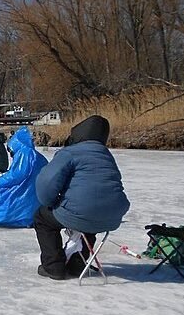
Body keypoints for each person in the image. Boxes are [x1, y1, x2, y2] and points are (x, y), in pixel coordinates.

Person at [33, 115, 130, 280]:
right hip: (112, 215)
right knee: (92, 215)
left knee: (42, 217)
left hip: (82, 212)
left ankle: (54, 266)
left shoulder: (70, 153)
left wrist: (50, 203)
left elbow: (47, 182)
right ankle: (78, 263)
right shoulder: (106, 155)